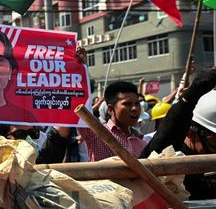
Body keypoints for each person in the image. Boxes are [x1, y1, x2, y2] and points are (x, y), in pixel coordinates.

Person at [141, 69, 216, 199]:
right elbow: (165, 136)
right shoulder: (170, 155)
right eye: (214, 141)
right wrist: (187, 100)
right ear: (191, 131)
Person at [77, 81, 145, 161]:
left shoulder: (142, 143)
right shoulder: (94, 133)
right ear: (110, 109)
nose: (134, 108)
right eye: (127, 104)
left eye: (137, 104)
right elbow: (76, 112)